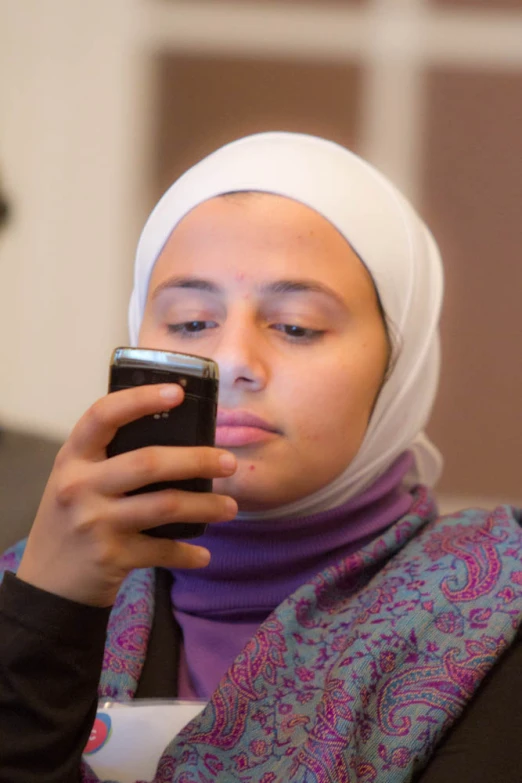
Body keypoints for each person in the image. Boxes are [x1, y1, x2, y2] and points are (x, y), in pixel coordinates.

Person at [0, 132, 521, 783]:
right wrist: (49, 608)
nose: (235, 361)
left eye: (296, 325)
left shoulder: (496, 610)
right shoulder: (39, 579)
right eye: (191, 322)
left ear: (398, 364)